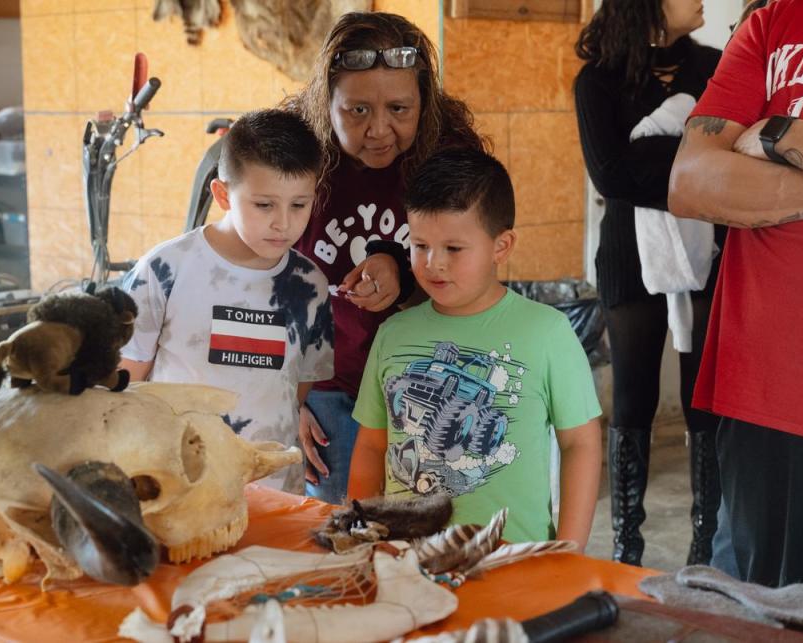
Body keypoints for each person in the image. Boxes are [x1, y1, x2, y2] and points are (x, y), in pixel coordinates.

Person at [347, 148, 602, 548]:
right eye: (419, 245)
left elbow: (580, 443)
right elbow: (371, 443)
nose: (434, 263)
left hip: (513, 556)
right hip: (407, 551)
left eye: (453, 248)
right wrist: (361, 528)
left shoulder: (547, 332)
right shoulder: (393, 333)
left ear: (501, 246)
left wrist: (569, 549)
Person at [285, 11, 484, 504]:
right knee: (339, 529)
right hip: (323, 387)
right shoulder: (295, 154)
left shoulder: (451, 154)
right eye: (357, 111)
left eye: (400, 109)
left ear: (425, 103)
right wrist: (288, 401)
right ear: (324, 101)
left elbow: (474, 265)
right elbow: (259, 278)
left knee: (420, 528)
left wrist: (403, 269)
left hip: (424, 383)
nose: (379, 130)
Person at [573, 0, 723, 566]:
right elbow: (610, 174)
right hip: (628, 255)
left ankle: (704, 552)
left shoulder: (713, 67)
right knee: (633, 398)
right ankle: (627, 554)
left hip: (707, 247)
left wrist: (653, 155)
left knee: (702, 398)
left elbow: (726, 156)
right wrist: (689, 158)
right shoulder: (597, 81)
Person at [669, 0, 803, 586]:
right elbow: (691, 182)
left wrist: (770, 136)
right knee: (760, 612)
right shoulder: (774, 22)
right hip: (767, 383)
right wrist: (789, 131)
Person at [118, 109, 334, 493]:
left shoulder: (310, 285)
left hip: (275, 489)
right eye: (264, 205)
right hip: (178, 486)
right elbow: (124, 383)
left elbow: (296, 390)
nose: (283, 223)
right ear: (222, 195)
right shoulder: (165, 269)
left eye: (299, 205)